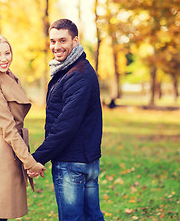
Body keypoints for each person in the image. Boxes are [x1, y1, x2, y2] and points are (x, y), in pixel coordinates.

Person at [29, 19, 105, 221]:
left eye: (62, 40)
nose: (56, 46)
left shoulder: (77, 74)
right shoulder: (74, 69)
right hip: (86, 159)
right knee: (93, 217)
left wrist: (36, 158)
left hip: (73, 163)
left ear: (75, 40)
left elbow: (65, 126)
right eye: (53, 41)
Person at [0, 34, 46, 221]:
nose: (4, 58)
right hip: (0, 153)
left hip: (8, 149)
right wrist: (30, 162)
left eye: (7, 53)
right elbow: (7, 127)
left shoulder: (10, 77)